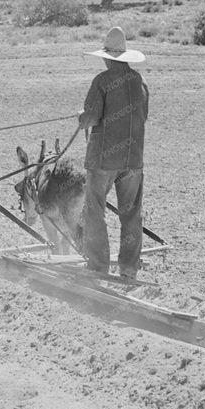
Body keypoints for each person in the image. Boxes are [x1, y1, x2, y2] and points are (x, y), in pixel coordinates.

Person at [76, 26, 149, 280]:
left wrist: (82, 118)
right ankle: (129, 269)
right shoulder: (138, 81)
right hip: (133, 159)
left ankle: (98, 266)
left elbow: (92, 117)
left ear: (107, 58)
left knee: (94, 210)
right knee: (130, 213)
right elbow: (144, 117)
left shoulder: (102, 81)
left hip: (104, 159)